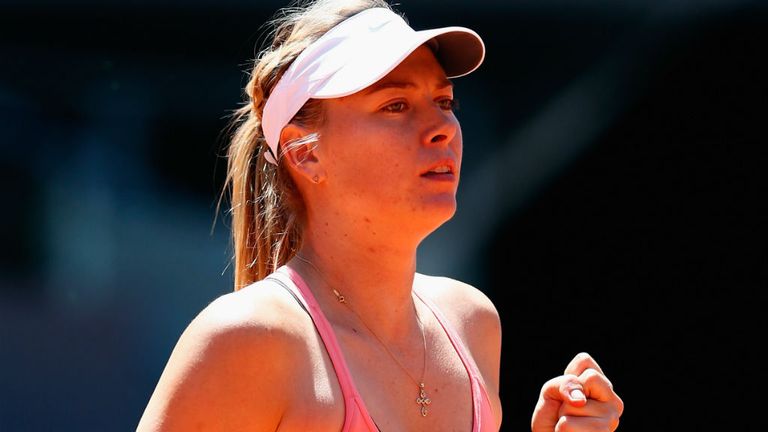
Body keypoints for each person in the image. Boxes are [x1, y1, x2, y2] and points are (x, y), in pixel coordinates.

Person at [137, 0, 624, 431]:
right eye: (395, 105)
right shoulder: (248, 340)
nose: (442, 129)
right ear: (304, 154)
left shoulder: (473, 323)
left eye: (443, 101)